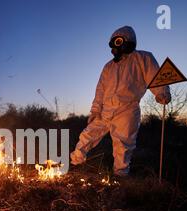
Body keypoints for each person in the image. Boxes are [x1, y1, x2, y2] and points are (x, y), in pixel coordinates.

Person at [70, 26, 171, 177]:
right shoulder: (108, 67)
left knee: (122, 146)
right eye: (114, 42)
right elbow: (100, 90)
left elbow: (154, 76)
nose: (116, 46)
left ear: (129, 41)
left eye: (119, 41)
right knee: (87, 136)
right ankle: (76, 164)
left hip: (127, 110)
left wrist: (162, 92)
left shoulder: (143, 58)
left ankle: (120, 176)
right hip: (105, 111)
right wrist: (95, 111)